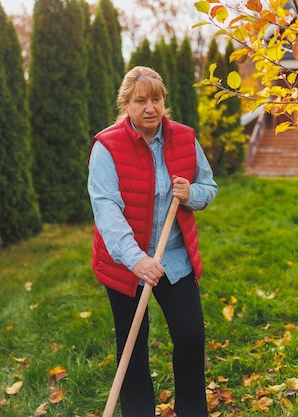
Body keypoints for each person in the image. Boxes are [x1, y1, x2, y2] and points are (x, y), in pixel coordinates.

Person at [87, 66, 218, 417]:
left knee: (190, 336)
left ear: (164, 102)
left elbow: (209, 188)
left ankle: (192, 411)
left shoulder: (185, 139)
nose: (150, 107)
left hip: (174, 256)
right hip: (125, 262)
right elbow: (107, 210)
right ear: (126, 103)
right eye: (140, 100)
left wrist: (192, 193)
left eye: (156, 99)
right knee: (133, 346)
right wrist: (136, 260)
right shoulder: (107, 146)